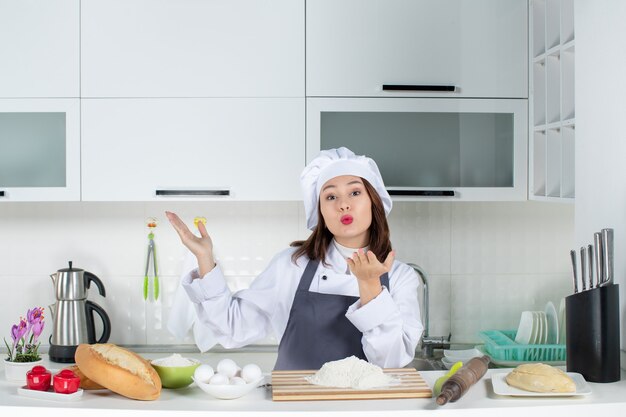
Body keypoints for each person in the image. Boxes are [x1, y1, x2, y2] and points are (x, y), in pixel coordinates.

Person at [166, 147, 423, 370]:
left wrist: (371, 289)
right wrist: (205, 258)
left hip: (364, 410)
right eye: (330, 196)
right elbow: (232, 328)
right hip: (294, 407)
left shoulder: (400, 278)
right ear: (320, 211)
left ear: (373, 202)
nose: (343, 204)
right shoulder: (292, 265)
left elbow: (390, 363)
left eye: (355, 193)